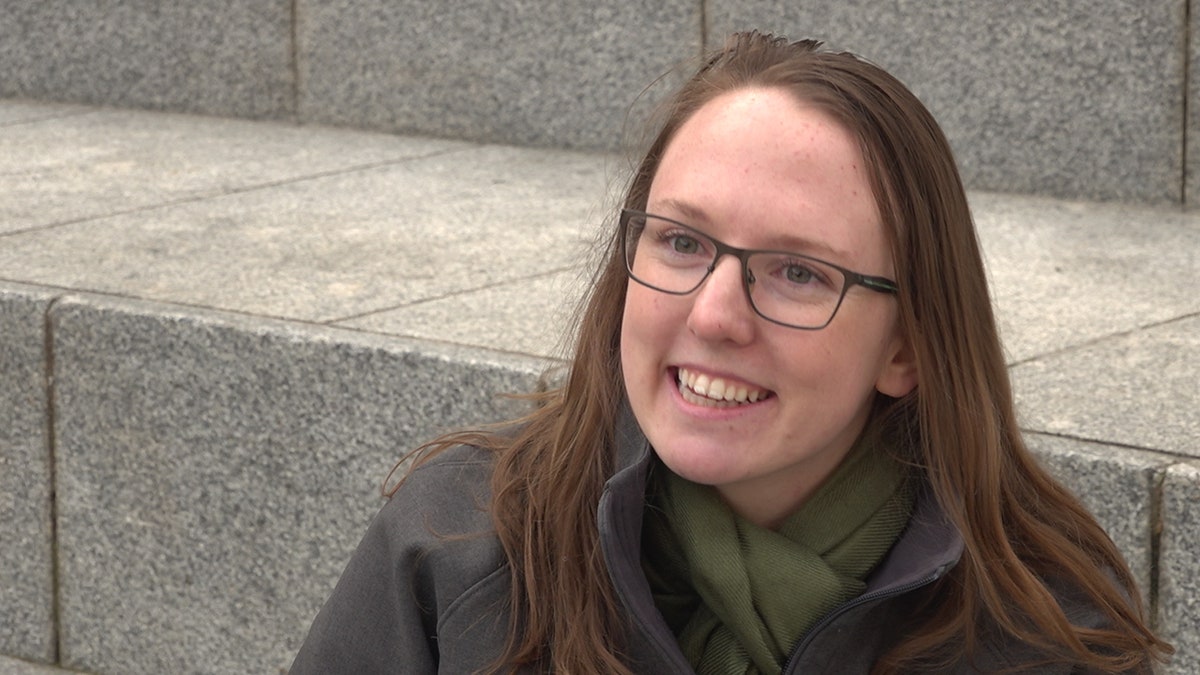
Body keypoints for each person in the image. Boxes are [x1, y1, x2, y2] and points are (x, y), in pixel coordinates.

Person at [290, 31, 1172, 674]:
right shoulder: (464, 540)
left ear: (907, 348)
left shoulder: (1041, 630)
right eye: (680, 241)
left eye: (796, 272)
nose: (714, 315)